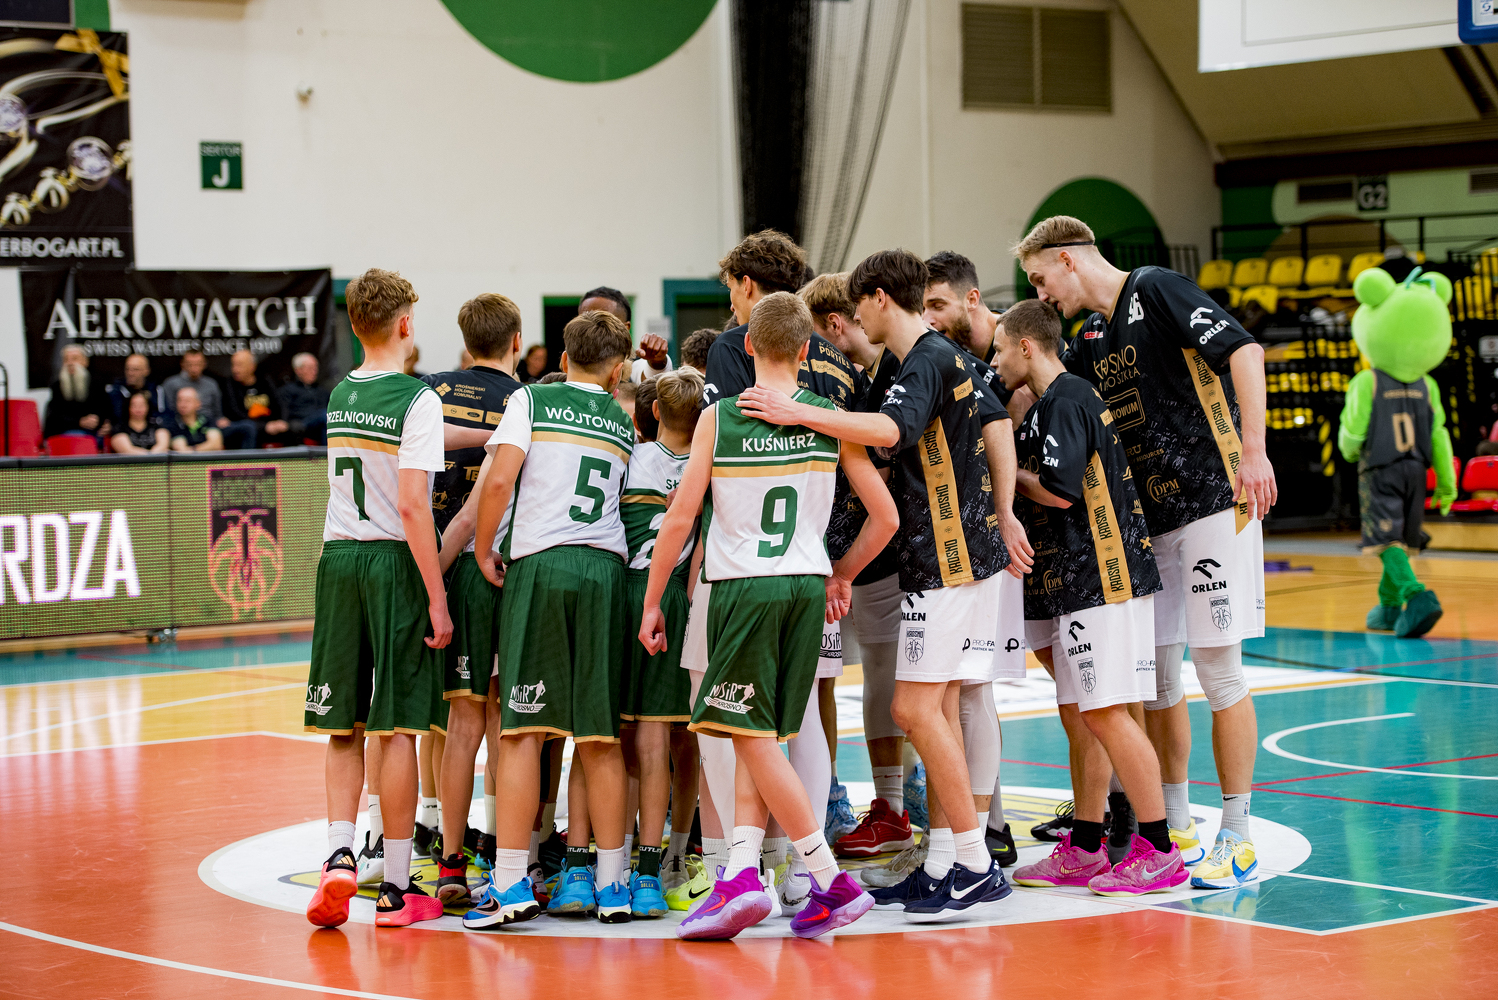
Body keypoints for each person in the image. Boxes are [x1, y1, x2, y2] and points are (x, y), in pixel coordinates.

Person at [738, 251, 1015, 923]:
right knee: (936, 709)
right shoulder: (930, 359)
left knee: (914, 710)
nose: (854, 317)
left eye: (859, 304)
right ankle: (947, 861)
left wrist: (797, 412)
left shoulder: (924, 358)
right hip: (955, 555)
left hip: (947, 558)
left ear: (881, 298)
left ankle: (974, 862)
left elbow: (890, 431)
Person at [1015, 215, 1276, 888]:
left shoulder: (1156, 288)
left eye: (1041, 278)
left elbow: (1246, 352)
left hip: (1214, 499)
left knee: (1218, 672)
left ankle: (1239, 835)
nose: (1042, 294)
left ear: (1068, 260)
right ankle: (1176, 827)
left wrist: (1253, 451)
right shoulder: (1090, 337)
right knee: (1156, 679)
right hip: (1148, 524)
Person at [641, 291, 896, 940]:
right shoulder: (826, 418)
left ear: (748, 344)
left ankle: (828, 879)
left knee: (750, 739)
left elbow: (680, 517)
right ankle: (741, 877)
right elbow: (886, 518)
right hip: (805, 589)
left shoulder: (719, 418)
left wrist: (652, 600)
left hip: (744, 589)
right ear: (807, 350)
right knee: (762, 735)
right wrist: (842, 573)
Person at [989, 298, 1184, 894]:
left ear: (1026, 346)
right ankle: (1087, 845)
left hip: (1105, 575)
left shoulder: (1069, 397)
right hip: (1078, 580)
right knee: (1085, 713)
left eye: (1000, 349)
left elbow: (1059, 490)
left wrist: (1005, 478)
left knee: (1107, 712)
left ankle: (1160, 849)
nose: (994, 362)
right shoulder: (1049, 403)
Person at [466, 310, 636, 928]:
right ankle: (613, 886)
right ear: (617, 371)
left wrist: (484, 549)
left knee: (522, 732)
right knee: (599, 736)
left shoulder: (531, 400)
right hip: (606, 574)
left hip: (542, 567)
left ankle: (511, 882)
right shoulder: (622, 421)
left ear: (562, 359)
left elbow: (497, 482)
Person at [302, 268, 451, 930]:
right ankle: (394, 887)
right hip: (393, 562)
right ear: (406, 323)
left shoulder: (341, 393)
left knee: (345, 724)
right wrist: (436, 597)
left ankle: (339, 853)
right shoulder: (418, 399)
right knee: (396, 728)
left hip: (339, 560)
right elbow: (415, 507)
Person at [418, 293, 526, 907]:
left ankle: (449, 860)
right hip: (507, 570)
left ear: (465, 342)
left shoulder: (429, 392)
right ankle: (515, 858)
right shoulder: (528, 401)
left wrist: (430, 584)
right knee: (510, 724)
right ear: (517, 341)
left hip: (446, 567)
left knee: (455, 726)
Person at [617, 367, 706, 919]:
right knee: (678, 736)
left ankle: (619, 856)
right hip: (676, 597)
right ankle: (672, 854)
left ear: (652, 412)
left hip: (625, 591)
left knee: (621, 736)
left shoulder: (630, 458)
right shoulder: (707, 466)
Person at [578, 285, 673, 383]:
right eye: (584, 321)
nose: (591, 329)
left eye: (602, 322)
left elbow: (649, 378)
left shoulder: (633, 367)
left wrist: (657, 363)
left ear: (625, 328)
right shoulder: (572, 363)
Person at [923, 251, 1003, 363]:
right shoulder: (950, 348)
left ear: (971, 300)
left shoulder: (1019, 338)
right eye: (922, 309)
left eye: (938, 306)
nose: (925, 320)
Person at [223, 350, 291, 449]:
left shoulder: (265, 380)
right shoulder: (230, 384)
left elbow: (280, 403)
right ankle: (249, 460)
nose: (235, 369)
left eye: (239, 365)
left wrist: (282, 421)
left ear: (252, 367)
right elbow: (235, 413)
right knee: (249, 428)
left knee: (293, 428)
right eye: (233, 365)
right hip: (251, 426)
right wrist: (264, 426)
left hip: (272, 424)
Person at [43, 344, 111, 440]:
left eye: (74, 359)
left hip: (93, 432)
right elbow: (54, 417)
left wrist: (104, 422)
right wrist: (79, 422)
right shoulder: (57, 386)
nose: (70, 363)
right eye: (66, 360)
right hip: (66, 431)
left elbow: (106, 409)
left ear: (85, 362)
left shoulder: (97, 384)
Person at [280, 352, 331, 445]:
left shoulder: (323, 391)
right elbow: (285, 415)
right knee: (325, 415)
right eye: (310, 368)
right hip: (302, 424)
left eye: (316, 367)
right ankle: (327, 451)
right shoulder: (288, 391)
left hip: (322, 423)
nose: (315, 371)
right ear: (298, 370)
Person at [162, 350, 224, 423]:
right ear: (183, 364)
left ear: (204, 364)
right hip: (180, 423)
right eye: (190, 364)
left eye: (198, 364)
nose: (194, 368)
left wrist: (220, 420)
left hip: (209, 422)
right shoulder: (171, 383)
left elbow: (218, 412)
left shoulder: (211, 384)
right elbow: (168, 410)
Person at [106, 353, 162, 428]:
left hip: (151, 431)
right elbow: (116, 416)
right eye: (127, 369)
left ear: (146, 371)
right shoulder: (116, 390)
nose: (130, 373)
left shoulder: (155, 390)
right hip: (123, 431)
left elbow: (164, 416)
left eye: (135, 369)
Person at [166, 386, 223, 452]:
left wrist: (193, 450)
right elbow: (181, 449)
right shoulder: (172, 423)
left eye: (187, 401)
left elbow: (216, 444)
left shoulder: (207, 420)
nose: (183, 405)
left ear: (198, 404)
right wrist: (206, 447)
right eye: (179, 400)